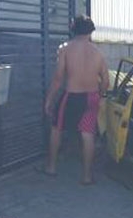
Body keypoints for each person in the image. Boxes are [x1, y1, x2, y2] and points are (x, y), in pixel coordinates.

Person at [43, 15, 109, 184]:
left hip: (71, 95)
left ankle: (51, 167)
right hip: (91, 97)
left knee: (56, 129)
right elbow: (106, 81)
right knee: (88, 134)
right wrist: (100, 96)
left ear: (73, 29)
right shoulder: (98, 53)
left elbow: (58, 78)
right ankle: (87, 176)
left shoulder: (65, 49)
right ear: (91, 31)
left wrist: (49, 99)